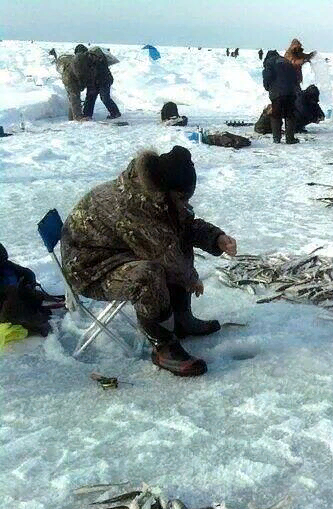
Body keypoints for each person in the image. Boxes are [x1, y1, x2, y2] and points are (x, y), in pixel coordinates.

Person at [60, 146, 236, 376]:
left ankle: (181, 319)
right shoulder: (132, 206)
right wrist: (191, 279)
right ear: (167, 191)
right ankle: (163, 346)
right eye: (182, 197)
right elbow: (163, 252)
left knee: (171, 248)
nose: (185, 202)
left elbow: (183, 226)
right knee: (148, 275)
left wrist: (216, 238)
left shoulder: (155, 193)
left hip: (115, 252)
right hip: (89, 269)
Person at [255, 84, 324, 135]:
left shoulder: (310, 98)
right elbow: (302, 111)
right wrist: (314, 119)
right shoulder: (300, 97)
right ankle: (295, 128)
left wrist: (320, 115)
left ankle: (295, 127)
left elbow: (316, 106)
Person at [262, 50, 299, 144]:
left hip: (277, 93)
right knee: (290, 115)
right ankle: (290, 139)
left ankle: (276, 138)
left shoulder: (269, 62)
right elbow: (295, 77)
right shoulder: (286, 61)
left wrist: (268, 87)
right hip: (290, 92)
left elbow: (267, 76)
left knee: (276, 115)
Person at [56, 44, 94, 121]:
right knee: (75, 97)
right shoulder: (80, 58)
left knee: (72, 97)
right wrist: (82, 83)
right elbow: (79, 72)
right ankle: (78, 117)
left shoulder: (78, 58)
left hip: (67, 78)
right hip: (70, 79)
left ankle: (72, 117)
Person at [83, 47, 121, 120]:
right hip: (96, 81)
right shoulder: (90, 60)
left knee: (104, 98)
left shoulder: (100, 61)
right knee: (91, 97)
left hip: (104, 81)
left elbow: (97, 73)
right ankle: (87, 115)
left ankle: (115, 113)